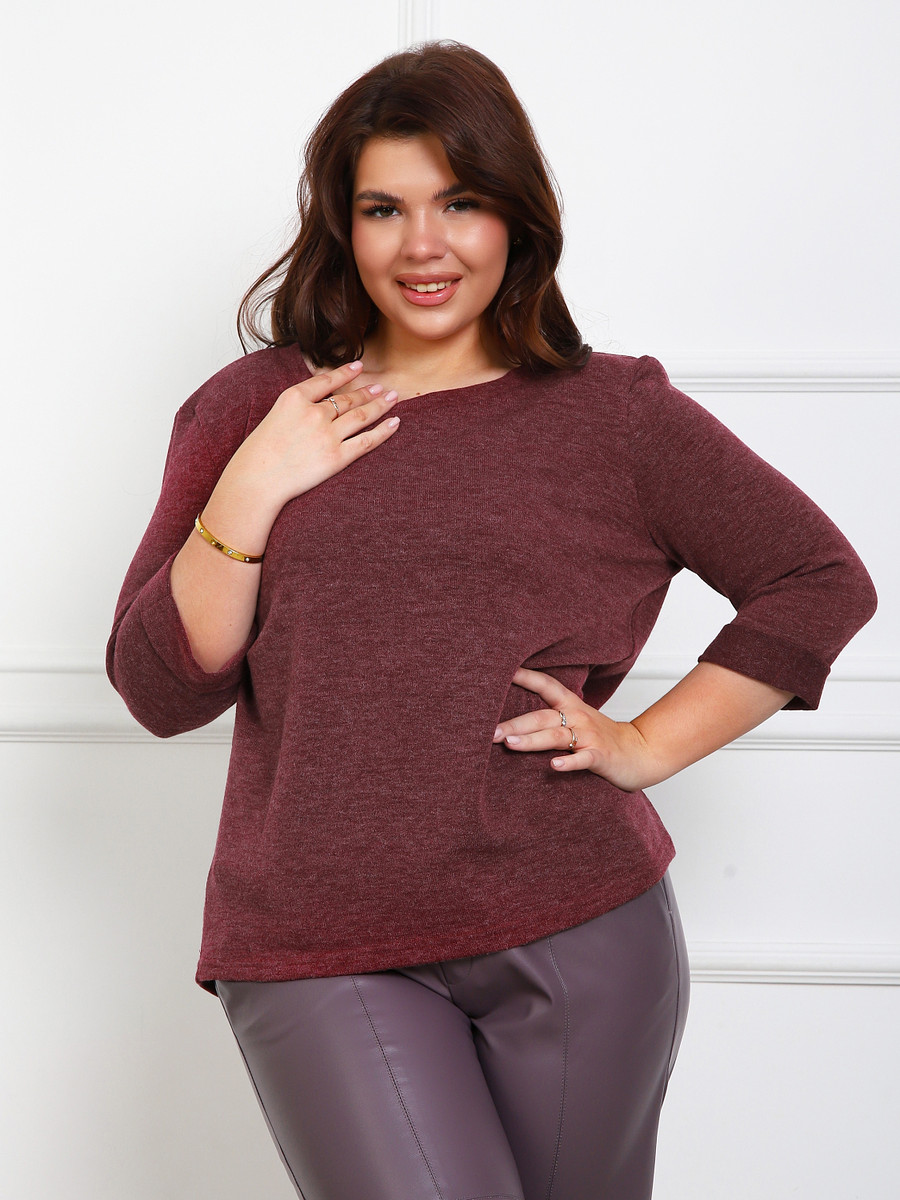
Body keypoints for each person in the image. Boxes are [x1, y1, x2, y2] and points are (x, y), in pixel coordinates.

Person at [107, 41, 876, 1200]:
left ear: (518, 214)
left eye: (460, 202)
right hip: (317, 942)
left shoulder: (614, 414)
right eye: (385, 209)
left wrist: (645, 744)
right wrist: (251, 488)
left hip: (580, 929)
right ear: (343, 226)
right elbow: (162, 691)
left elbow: (817, 578)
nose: (423, 244)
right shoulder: (253, 410)